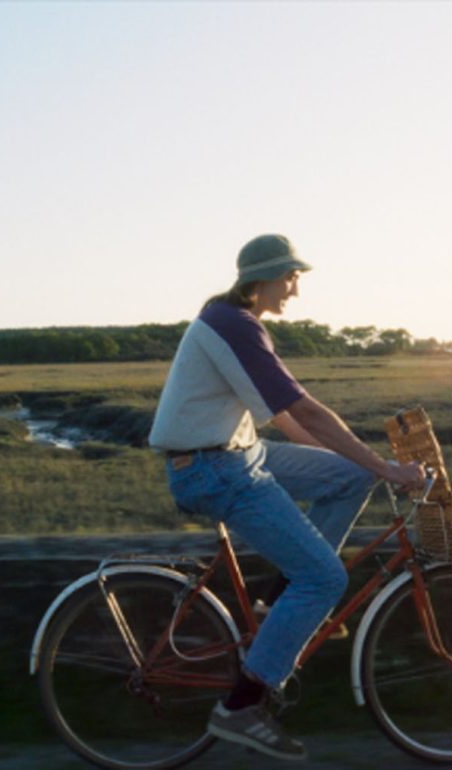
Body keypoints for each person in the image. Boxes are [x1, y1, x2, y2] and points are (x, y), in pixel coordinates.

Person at [148, 234, 424, 761]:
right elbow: (310, 411)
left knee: (349, 478)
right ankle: (242, 707)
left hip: (237, 451)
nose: (296, 289)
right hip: (214, 469)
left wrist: (363, 466)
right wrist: (388, 467)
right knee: (325, 577)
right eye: (292, 277)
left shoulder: (234, 320)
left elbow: (288, 420)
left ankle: (274, 606)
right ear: (267, 276)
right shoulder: (234, 324)